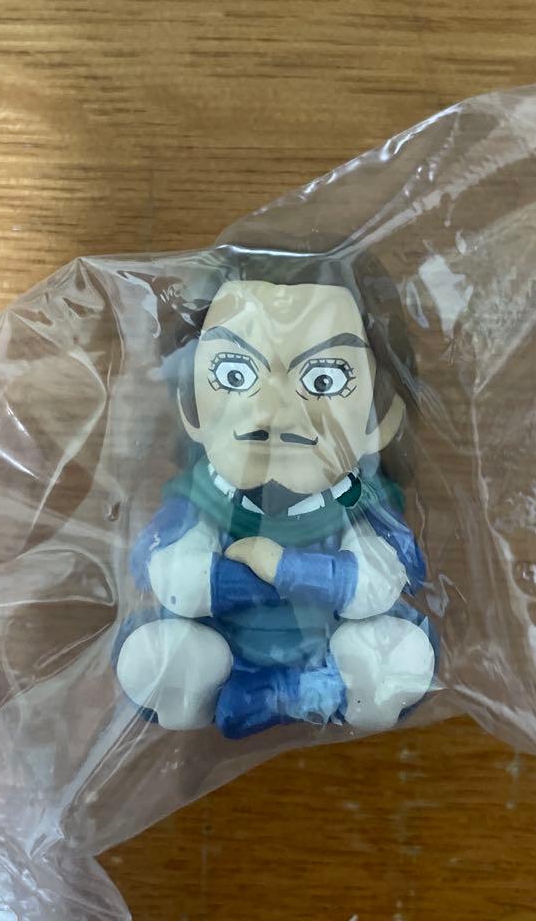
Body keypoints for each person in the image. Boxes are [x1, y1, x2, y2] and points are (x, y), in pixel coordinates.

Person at [114, 248, 435, 738]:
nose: (276, 412)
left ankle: (321, 691)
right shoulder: (203, 498)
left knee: (403, 654)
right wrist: (239, 583)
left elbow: (378, 583)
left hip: (331, 652)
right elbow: (171, 575)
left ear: (381, 418)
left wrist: (285, 569)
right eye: (235, 375)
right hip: (224, 646)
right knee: (149, 656)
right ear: (190, 407)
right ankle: (211, 688)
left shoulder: (357, 502)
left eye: (324, 380)